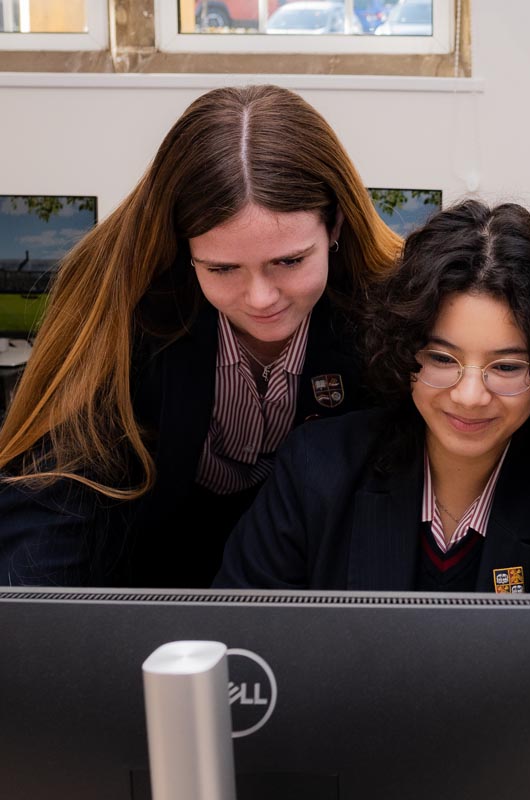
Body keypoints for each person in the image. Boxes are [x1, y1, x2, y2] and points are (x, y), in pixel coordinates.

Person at [0, 85, 403, 588]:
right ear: (180, 246)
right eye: (222, 268)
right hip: (143, 586)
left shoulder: (392, 308)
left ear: (336, 225)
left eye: (289, 261)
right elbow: (51, 489)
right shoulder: (114, 296)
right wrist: (54, 639)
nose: (260, 298)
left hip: (316, 596)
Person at [214, 200, 530, 594]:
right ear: (404, 351)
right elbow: (240, 637)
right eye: (441, 358)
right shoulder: (316, 470)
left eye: (507, 367)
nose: (470, 396)